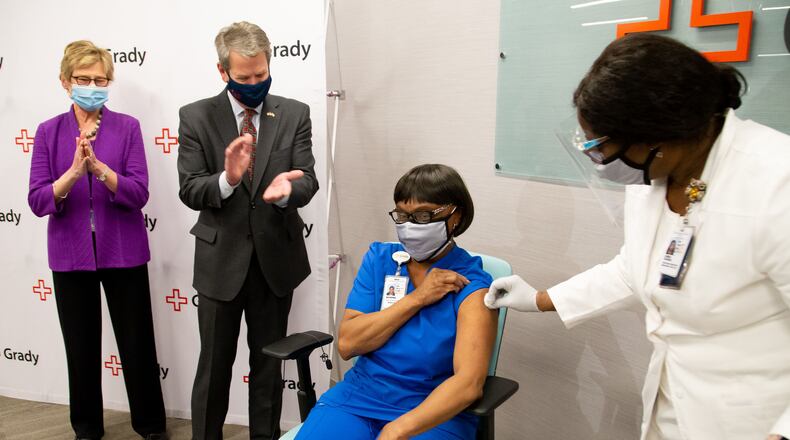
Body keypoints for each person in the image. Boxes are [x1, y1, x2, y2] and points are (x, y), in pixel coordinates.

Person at [485, 34, 790, 440]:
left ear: (660, 134)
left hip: (754, 419)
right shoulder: (654, 174)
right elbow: (638, 269)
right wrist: (539, 298)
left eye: (601, 148)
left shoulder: (776, 182)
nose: (599, 162)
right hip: (673, 403)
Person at [177, 21, 318, 440]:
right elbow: (189, 188)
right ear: (223, 72)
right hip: (221, 263)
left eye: (261, 74)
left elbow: (307, 179)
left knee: (269, 367)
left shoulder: (294, 112)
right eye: (244, 77)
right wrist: (228, 178)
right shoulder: (196, 116)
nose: (255, 83)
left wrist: (288, 189)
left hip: (276, 263)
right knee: (214, 368)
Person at [27, 40, 166, 440]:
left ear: (110, 81)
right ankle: (86, 428)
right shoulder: (48, 131)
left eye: (100, 79)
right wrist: (72, 173)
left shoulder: (127, 128)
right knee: (81, 348)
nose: (92, 85)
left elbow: (139, 193)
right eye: (83, 78)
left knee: (138, 346)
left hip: (124, 252)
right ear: (65, 82)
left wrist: (101, 169)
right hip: (70, 258)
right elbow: (38, 201)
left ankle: (151, 426)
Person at [295, 164, 497, 440]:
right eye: (403, 215)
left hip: (432, 410)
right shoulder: (381, 260)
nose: (410, 226)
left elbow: (468, 384)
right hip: (360, 397)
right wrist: (418, 298)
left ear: (455, 216)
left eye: (424, 215)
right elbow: (348, 344)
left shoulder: (472, 285)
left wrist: (398, 428)